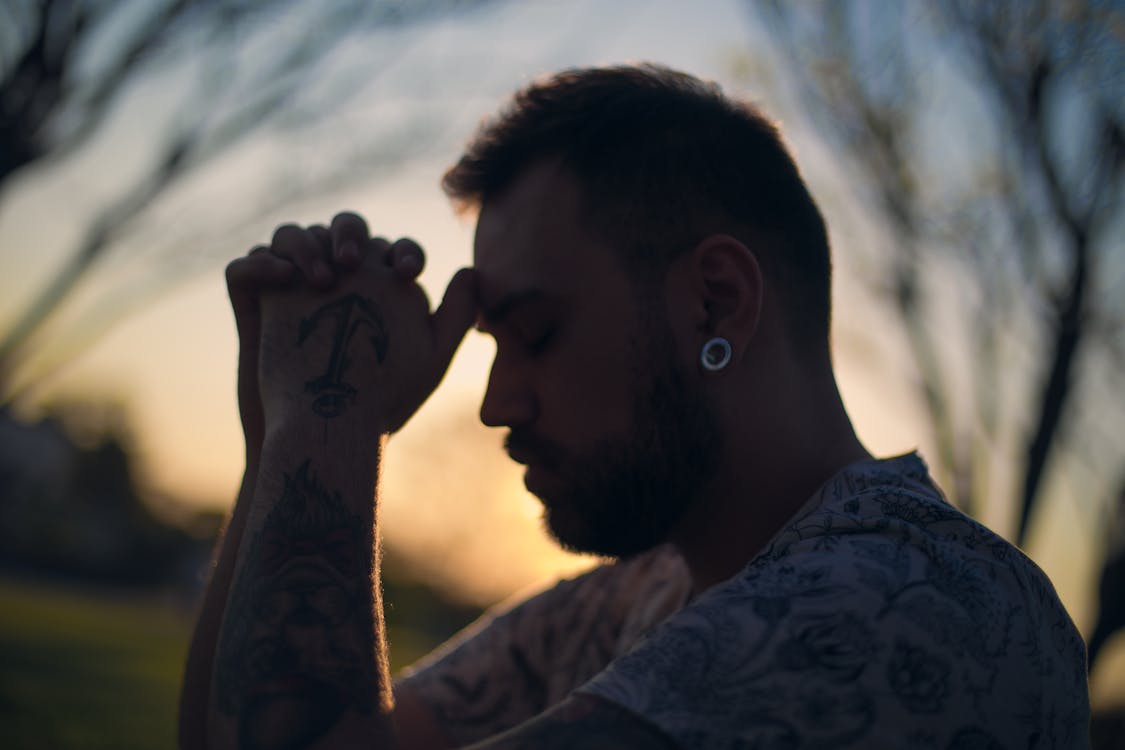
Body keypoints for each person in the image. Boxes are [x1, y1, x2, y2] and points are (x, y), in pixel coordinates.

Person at [180, 64, 1089, 749]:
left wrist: (328, 409)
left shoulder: (913, 605)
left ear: (714, 304)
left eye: (534, 334)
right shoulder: (628, 597)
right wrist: (279, 438)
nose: (496, 403)